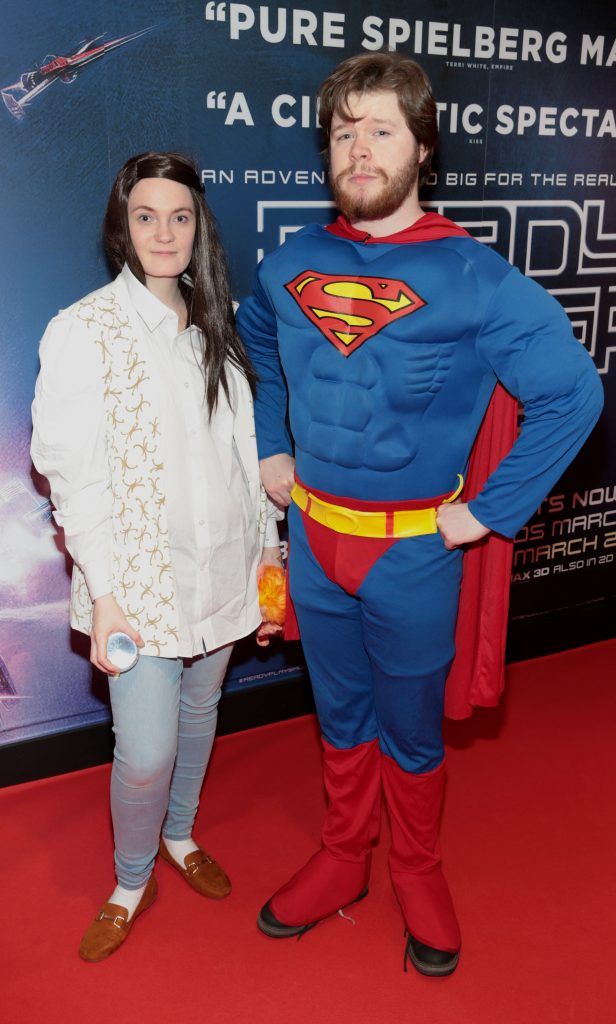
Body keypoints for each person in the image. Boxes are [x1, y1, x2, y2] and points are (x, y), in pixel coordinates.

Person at [235, 53, 604, 976]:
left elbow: (572, 395)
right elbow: (262, 345)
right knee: (341, 716)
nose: (358, 149)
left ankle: (417, 867)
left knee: (407, 727)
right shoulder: (292, 263)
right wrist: (272, 446)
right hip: (316, 542)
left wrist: (487, 512)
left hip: (412, 555)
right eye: (343, 132)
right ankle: (342, 855)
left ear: (422, 149)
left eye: (381, 129)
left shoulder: (474, 277)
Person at [31, 152, 282, 962]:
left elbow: (247, 454)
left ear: (199, 225)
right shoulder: (82, 331)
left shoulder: (221, 325)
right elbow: (70, 474)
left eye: (180, 216)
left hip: (224, 570)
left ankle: (180, 836)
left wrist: (269, 562)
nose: (164, 232)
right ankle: (129, 880)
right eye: (147, 216)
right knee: (144, 751)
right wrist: (103, 591)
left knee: (202, 715)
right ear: (122, 227)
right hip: (135, 588)